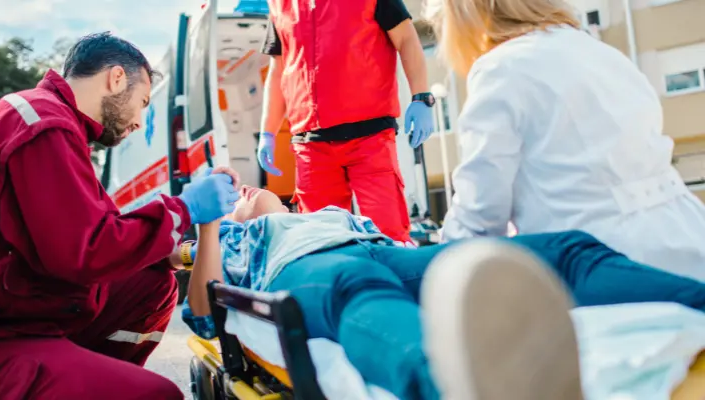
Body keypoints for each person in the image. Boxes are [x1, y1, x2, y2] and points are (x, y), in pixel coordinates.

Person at [0, 32, 240, 399]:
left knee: (152, 282)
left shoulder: (49, 121)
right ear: (115, 79)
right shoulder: (41, 123)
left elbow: (93, 231)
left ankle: (83, 373)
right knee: (155, 395)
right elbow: (87, 250)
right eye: (143, 103)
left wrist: (166, 250)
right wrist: (184, 208)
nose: (140, 122)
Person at [177, 184, 705, 400]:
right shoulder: (231, 238)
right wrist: (207, 227)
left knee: (565, 250)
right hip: (303, 269)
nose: (241, 188)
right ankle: (462, 388)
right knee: (362, 291)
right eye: (235, 195)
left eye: (244, 184)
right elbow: (204, 315)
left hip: (379, 250)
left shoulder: (331, 213)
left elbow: (399, 245)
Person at [433, 0, 705, 280]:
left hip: (601, 264)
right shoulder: (601, 52)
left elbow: (481, 213)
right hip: (687, 237)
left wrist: (436, 273)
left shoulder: (501, 69)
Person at [256, 0, 436, 244]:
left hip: (370, 136)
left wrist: (422, 96)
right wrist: (268, 132)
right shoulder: (280, 4)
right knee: (321, 241)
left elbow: (406, 38)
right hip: (311, 145)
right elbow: (278, 70)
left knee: (389, 235)